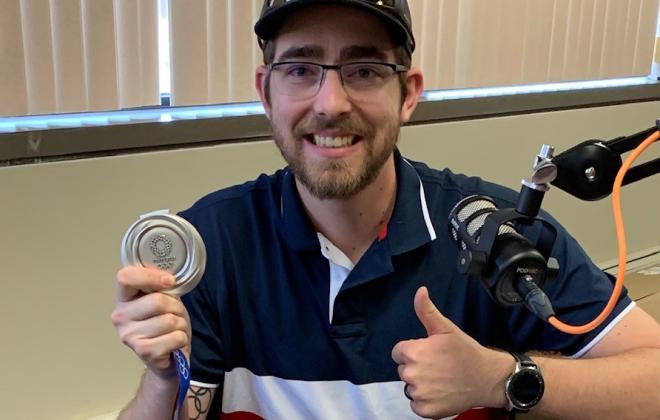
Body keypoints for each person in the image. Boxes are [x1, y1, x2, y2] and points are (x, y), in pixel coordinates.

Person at [111, 1, 660, 419]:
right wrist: (162, 382)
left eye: (365, 69)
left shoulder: (500, 234)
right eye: (301, 69)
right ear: (266, 90)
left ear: (409, 93)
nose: (330, 104)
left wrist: (502, 378)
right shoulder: (213, 243)